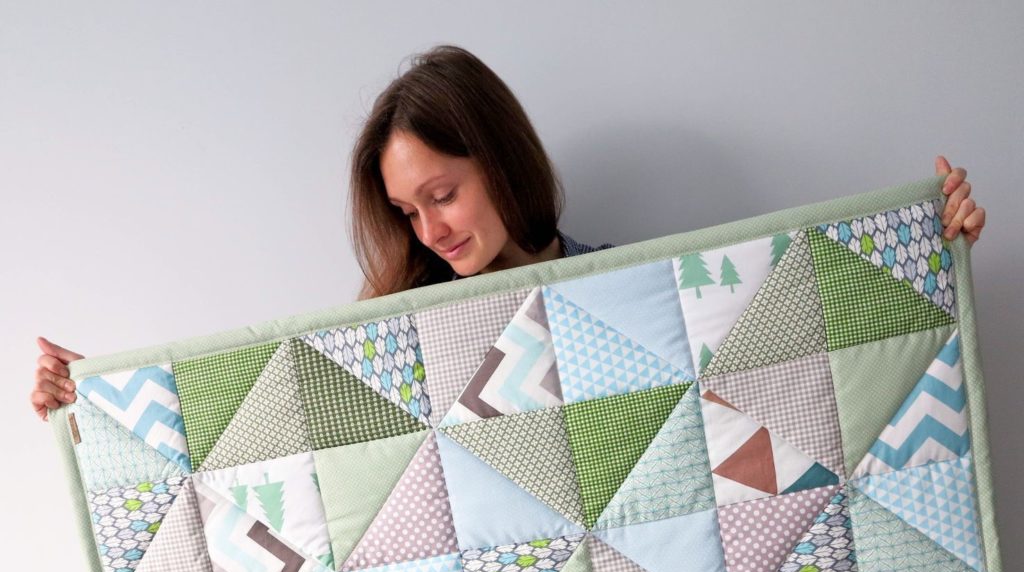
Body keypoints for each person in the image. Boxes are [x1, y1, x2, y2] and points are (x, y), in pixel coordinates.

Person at [30, 44, 987, 421]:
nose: (430, 229)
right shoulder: (393, 337)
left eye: (441, 194)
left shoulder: (637, 287)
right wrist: (98, 402)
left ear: (498, 158)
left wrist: (927, 247)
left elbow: (787, 346)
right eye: (408, 212)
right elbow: (259, 425)